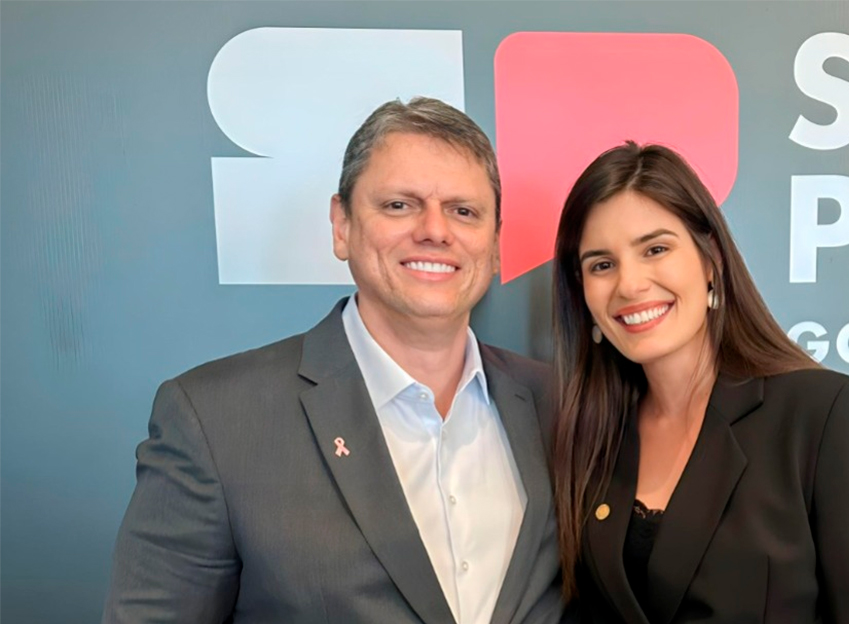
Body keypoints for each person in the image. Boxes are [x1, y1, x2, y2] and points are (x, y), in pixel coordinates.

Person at [104, 97, 563, 624]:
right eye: (399, 205)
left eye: (464, 211)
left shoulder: (559, 406)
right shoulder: (214, 420)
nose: (436, 230)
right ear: (341, 225)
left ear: (496, 242)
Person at [551, 142, 849, 623]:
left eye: (655, 249)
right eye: (602, 264)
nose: (629, 285)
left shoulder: (823, 414)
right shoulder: (592, 434)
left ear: (710, 258)